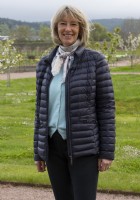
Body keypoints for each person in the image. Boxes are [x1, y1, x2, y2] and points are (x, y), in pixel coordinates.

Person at [34, 5, 115, 200]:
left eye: (73, 24)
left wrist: (107, 152)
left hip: (84, 147)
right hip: (53, 147)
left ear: (81, 29)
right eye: (63, 23)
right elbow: (40, 111)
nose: (67, 29)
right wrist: (39, 151)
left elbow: (106, 107)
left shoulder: (95, 61)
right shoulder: (45, 64)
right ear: (56, 28)